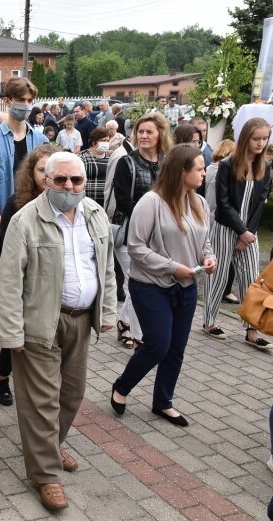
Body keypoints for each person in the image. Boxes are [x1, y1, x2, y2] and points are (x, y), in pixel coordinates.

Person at [0, 151, 116, 511]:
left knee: (72, 395)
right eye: (60, 180)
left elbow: (106, 267)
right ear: (46, 181)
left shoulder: (95, 214)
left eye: (76, 180)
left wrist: (107, 310)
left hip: (81, 320)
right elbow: (9, 281)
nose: (69, 187)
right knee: (42, 402)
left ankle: (48, 446)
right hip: (40, 323)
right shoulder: (25, 220)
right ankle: (45, 474)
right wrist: (12, 333)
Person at [111, 144, 216, 428]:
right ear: (182, 171)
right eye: (199, 168)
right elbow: (136, 248)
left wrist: (209, 257)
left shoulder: (200, 202)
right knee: (158, 345)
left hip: (187, 286)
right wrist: (173, 268)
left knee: (176, 348)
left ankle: (163, 402)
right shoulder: (151, 202)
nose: (204, 171)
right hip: (151, 285)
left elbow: (204, 240)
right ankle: (122, 386)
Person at [0, 77, 49, 379]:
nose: (26, 106)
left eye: (30, 100)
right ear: (7, 102)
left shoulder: (40, 140)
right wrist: (7, 229)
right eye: (21, 100)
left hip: (36, 232)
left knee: (26, 299)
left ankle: (5, 373)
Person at [202, 118, 273, 349]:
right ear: (245, 139)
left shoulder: (266, 167)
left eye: (265, 138)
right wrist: (240, 231)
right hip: (225, 229)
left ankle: (251, 329)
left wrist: (248, 233)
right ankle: (209, 322)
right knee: (219, 276)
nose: (261, 143)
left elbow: (261, 202)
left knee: (252, 279)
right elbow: (222, 203)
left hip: (249, 234)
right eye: (256, 138)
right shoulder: (227, 165)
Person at [111, 112, 171, 349]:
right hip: (130, 233)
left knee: (141, 282)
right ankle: (139, 336)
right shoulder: (127, 162)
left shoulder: (167, 162)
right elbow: (123, 200)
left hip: (160, 235)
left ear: (160, 135)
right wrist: (152, 217)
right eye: (140, 132)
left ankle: (125, 322)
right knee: (135, 283)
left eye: (149, 132)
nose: (144, 136)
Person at [203, 140, 239, 304]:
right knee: (221, 256)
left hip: (209, 213)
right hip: (217, 216)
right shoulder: (220, 170)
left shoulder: (210, 168)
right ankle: (223, 290)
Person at [79, 128, 111, 207]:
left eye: (107, 141)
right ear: (94, 143)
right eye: (103, 140)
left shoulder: (110, 158)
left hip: (105, 203)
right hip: (88, 203)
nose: (106, 143)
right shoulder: (83, 157)